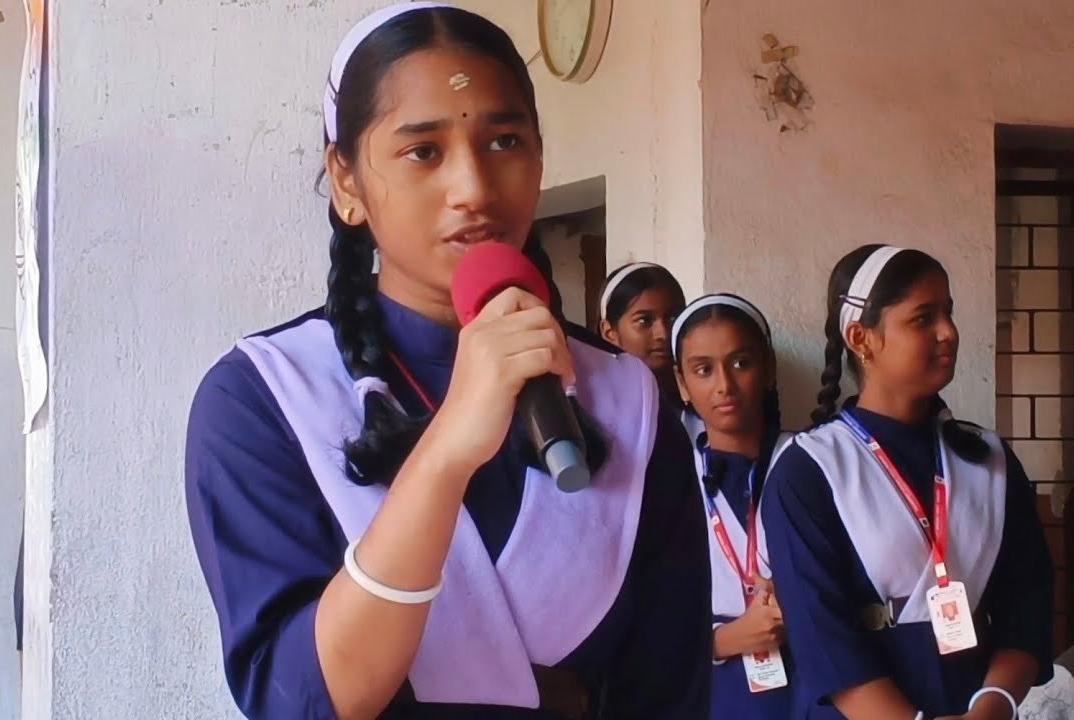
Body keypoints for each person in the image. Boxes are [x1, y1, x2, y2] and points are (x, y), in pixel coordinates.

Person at [183, 4, 711, 719]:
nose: (474, 188)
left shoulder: (627, 401)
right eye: (423, 151)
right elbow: (299, 701)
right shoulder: (265, 398)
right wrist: (445, 454)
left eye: (504, 141)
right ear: (346, 183)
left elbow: (670, 692)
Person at [762, 244, 1055, 719]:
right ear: (862, 337)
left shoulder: (988, 459)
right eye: (923, 319)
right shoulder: (810, 469)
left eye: (949, 313)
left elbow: (1029, 600)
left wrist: (993, 705)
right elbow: (822, 635)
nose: (949, 333)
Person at [671, 293, 795, 720]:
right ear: (682, 384)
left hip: (815, 686)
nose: (724, 384)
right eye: (703, 370)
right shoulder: (667, 482)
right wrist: (724, 639)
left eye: (741, 362)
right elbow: (641, 624)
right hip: (711, 691)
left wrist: (798, 596)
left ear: (769, 368)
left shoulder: (811, 462)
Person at [597, 262, 686, 404]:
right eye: (644, 321)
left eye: (673, 318)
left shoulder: (705, 405)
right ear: (609, 333)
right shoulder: (594, 406)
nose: (663, 334)